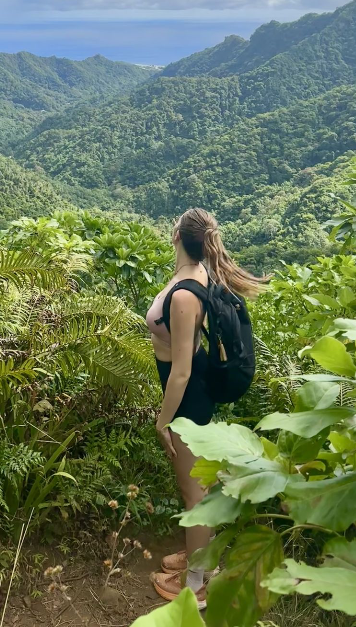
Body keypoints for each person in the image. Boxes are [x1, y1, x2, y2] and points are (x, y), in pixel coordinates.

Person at [145, 207, 266, 609]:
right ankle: (199, 555)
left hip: (188, 397)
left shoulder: (184, 295)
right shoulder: (197, 273)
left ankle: (197, 584)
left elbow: (180, 372)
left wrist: (163, 421)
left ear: (177, 235)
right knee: (198, 487)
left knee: (193, 493)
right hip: (190, 389)